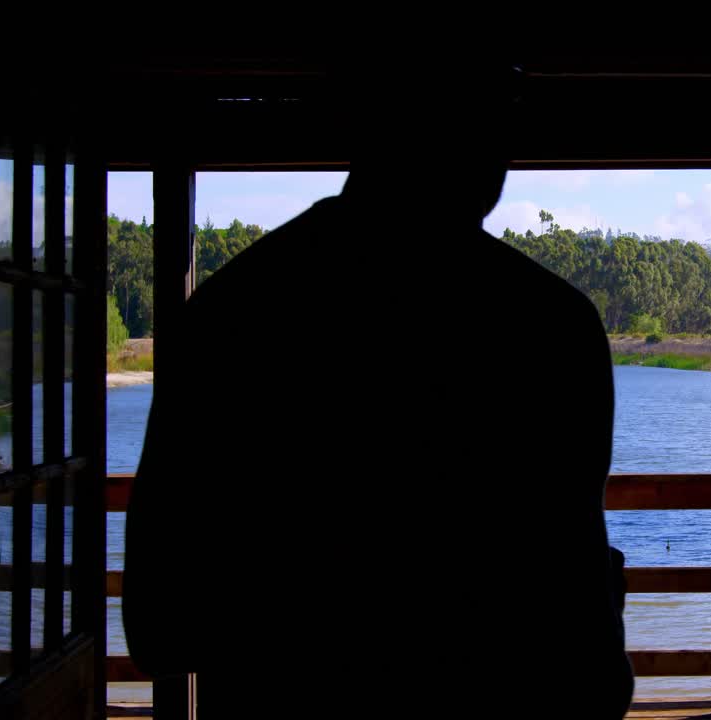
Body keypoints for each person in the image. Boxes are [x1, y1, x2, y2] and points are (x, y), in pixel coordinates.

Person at [123, 61, 634, 718]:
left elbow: (158, 627)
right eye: (490, 118)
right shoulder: (549, 327)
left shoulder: (232, 314)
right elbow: (589, 661)